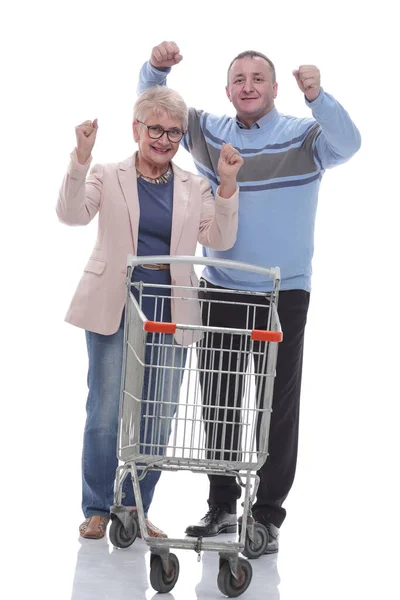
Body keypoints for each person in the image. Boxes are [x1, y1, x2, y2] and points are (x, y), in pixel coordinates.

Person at [137, 41, 361, 553]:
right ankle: (221, 505)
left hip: (285, 292)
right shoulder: (210, 132)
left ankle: (266, 516)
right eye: (239, 78)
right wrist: (157, 69)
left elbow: (350, 144)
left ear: (275, 88)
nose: (248, 85)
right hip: (221, 287)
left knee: (275, 406)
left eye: (258, 78)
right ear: (227, 90)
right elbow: (155, 111)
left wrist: (319, 96)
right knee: (218, 399)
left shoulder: (305, 135)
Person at [56, 85, 243, 540]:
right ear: (136, 128)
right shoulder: (107, 172)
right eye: (154, 128)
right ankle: (98, 507)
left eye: (173, 132)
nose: (163, 139)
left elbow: (218, 238)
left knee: (158, 414)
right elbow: (71, 214)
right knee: (104, 409)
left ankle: (133, 507)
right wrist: (80, 159)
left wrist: (227, 186)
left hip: (171, 308)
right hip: (114, 300)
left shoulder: (193, 185)